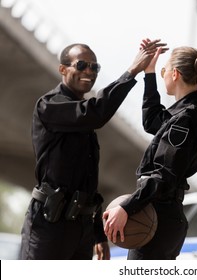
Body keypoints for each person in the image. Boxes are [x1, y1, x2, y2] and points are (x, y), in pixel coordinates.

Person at [20, 39, 167, 260]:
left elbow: (87, 185)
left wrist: (98, 235)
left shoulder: (84, 123)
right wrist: (133, 70)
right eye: (81, 65)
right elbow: (97, 112)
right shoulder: (49, 105)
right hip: (49, 226)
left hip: (81, 230)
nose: (89, 71)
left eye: (94, 67)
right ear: (63, 69)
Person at [103, 43, 197, 260]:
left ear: (174, 74)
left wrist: (127, 207)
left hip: (159, 220)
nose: (163, 77)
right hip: (164, 219)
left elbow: (164, 175)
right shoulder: (185, 113)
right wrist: (150, 73)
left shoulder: (185, 119)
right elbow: (152, 121)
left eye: (163, 72)